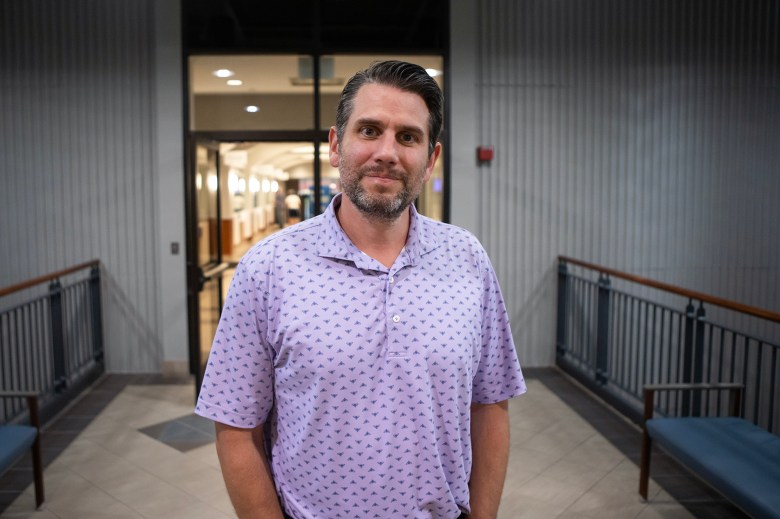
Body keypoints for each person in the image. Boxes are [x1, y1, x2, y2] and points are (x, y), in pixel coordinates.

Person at [195, 60, 526, 519]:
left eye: (408, 137)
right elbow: (235, 427)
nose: (387, 152)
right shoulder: (268, 268)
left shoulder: (466, 259)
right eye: (369, 130)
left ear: (430, 158)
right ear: (336, 145)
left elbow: (491, 405)